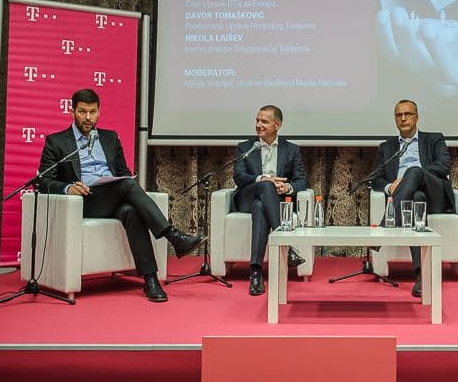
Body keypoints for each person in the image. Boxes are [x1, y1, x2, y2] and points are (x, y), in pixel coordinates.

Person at [38, 89, 205, 302]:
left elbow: (123, 173)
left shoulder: (109, 138)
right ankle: (173, 236)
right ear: (72, 112)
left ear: (99, 112)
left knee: (131, 211)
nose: (88, 118)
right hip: (84, 201)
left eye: (93, 112)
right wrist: (68, 187)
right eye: (82, 112)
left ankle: (150, 280)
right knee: (127, 185)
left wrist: (122, 181)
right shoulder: (57, 142)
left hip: (112, 196)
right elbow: (43, 181)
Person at [372, 99, 455, 298]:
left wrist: (412, 176)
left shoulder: (434, 139)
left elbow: (444, 166)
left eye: (408, 114)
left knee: (414, 171)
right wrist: (388, 185)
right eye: (399, 115)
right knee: (415, 198)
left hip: (434, 193)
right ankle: (422, 275)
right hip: (410, 198)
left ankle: (385, 226)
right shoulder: (387, 147)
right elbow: (376, 179)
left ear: (417, 117)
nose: (403, 118)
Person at [232, 105, 308, 296]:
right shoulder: (245, 147)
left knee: (261, 207)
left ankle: (255, 272)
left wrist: (286, 187)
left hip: (274, 201)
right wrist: (263, 179)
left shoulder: (291, 149)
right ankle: (286, 244)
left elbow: (301, 181)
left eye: (264, 121)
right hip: (246, 197)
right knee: (265, 186)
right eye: (257, 120)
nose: (258, 125)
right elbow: (239, 177)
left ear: (278, 125)